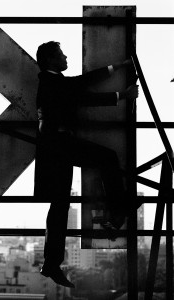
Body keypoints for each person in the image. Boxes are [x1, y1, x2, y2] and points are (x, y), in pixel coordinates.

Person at [34, 41, 139, 288]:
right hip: (60, 146)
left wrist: (117, 67)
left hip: (57, 148)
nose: (66, 56)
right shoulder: (53, 83)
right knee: (107, 158)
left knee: (59, 207)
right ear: (51, 60)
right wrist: (122, 95)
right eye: (61, 54)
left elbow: (83, 82)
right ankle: (118, 212)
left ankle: (51, 264)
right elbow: (82, 93)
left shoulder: (53, 81)